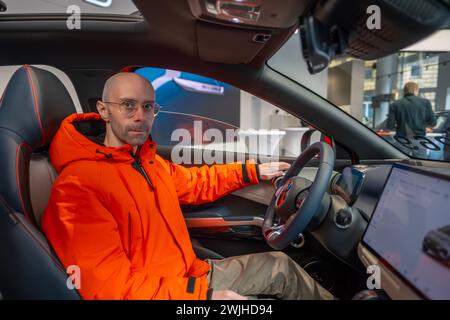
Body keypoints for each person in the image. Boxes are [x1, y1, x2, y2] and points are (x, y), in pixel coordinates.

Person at [42, 72, 333, 300]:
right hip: (170, 292)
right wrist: (200, 296)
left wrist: (252, 171)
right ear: (104, 111)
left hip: (189, 275)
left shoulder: (146, 162)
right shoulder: (78, 187)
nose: (141, 116)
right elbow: (112, 289)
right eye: (128, 105)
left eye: (148, 107)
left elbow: (195, 183)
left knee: (279, 266)